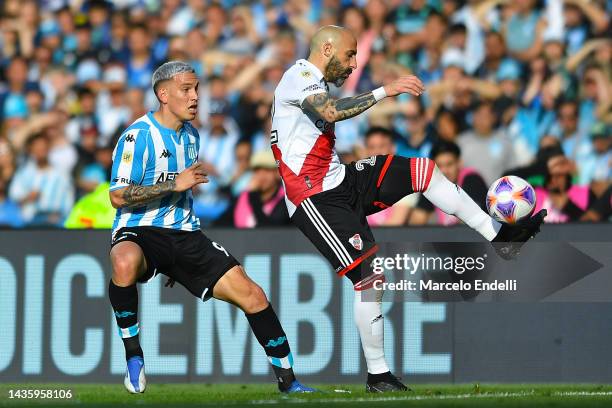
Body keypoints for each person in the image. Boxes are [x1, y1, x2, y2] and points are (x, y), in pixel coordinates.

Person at [271, 25, 546, 393]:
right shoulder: (299, 76)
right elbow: (332, 112)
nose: (354, 64)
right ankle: (379, 375)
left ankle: (499, 236)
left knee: (424, 171)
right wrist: (387, 90)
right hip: (313, 198)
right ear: (326, 48)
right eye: (350, 55)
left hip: (340, 179)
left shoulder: (309, 80)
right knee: (369, 281)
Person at [108, 61, 313, 394]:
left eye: (197, 89)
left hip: (184, 235)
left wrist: (174, 259)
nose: (195, 97)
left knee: (254, 295)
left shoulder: (191, 135)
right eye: (186, 89)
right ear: (163, 94)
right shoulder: (137, 136)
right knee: (124, 262)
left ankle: (289, 381)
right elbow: (117, 196)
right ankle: (133, 355)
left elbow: (183, 196)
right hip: (139, 229)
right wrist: (172, 184)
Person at [410, 140, 488, 226]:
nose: (444, 171)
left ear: (459, 163)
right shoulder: (432, 184)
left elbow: (472, 218)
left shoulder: (472, 179)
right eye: (439, 166)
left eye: (449, 164)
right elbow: (417, 220)